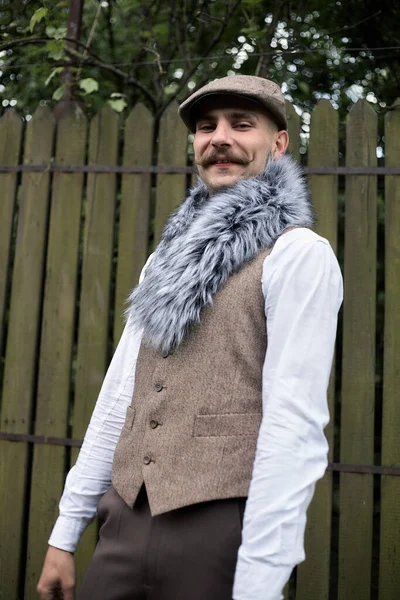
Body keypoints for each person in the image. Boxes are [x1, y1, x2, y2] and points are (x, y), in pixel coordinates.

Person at [37, 75, 343, 600]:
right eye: (206, 127)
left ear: (278, 142)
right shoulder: (165, 258)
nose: (219, 137)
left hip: (221, 533)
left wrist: (259, 582)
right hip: (122, 525)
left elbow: (294, 426)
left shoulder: (299, 255)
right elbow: (118, 398)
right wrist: (65, 535)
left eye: (240, 124)